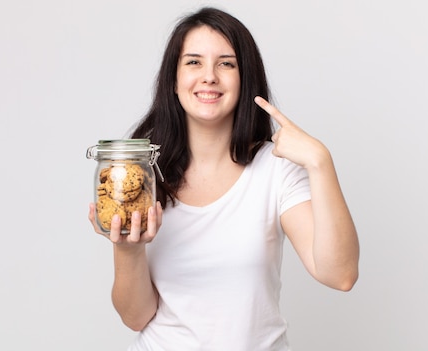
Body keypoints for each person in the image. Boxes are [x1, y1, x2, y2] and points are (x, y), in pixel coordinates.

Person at [88, 6, 360, 350]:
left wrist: (321, 161)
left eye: (226, 63)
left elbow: (340, 275)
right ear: (173, 80)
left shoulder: (275, 169)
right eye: (193, 62)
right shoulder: (144, 176)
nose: (209, 76)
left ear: (245, 79)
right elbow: (136, 317)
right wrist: (128, 251)